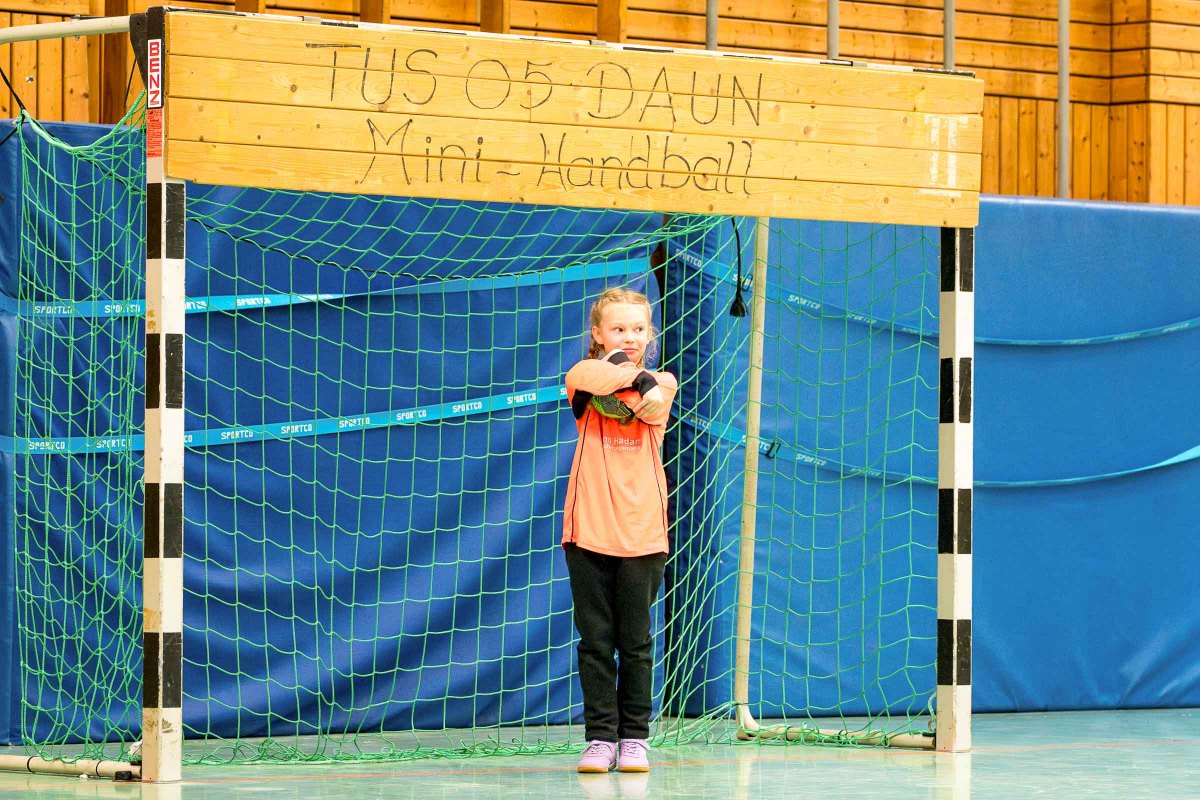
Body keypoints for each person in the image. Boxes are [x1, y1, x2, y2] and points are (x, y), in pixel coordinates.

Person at [561, 287, 678, 774]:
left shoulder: (665, 382)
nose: (629, 336)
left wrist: (634, 378)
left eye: (638, 329)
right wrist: (630, 375)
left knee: (635, 643)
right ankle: (599, 739)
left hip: (643, 532)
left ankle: (634, 739)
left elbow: (652, 403)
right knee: (595, 643)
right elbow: (588, 376)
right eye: (618, 329)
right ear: (598, 333)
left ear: (650, 334)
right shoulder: (581, 376)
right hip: (587, 529)